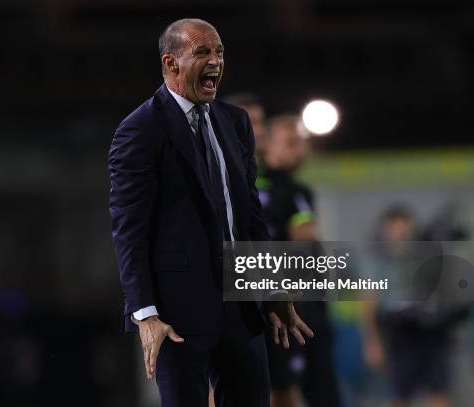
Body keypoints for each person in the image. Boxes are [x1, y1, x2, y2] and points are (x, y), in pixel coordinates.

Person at [108, 18, 313, 407]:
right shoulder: (140, 130)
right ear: (171, 63)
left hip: (242, 307)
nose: (215, 61)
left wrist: (271, 287)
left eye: (219, 52)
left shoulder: (234, 122)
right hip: (177, 317)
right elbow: (128, 230)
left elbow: (251, 215)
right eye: (202, 52)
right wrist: (144, 314)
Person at [255, 114, 341, 407]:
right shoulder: (292, 192)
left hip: (275, 304)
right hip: (295, 307)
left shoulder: (254, 187)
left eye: (302, 143)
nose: (300, 150)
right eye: (291, 143)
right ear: (267, 146)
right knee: (310, 391)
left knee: (281, 387)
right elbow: (303, 243)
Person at [362, 206, 466, 407]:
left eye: (406, 227)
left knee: (439, 389)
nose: (403, 233)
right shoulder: (377, 261)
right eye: (397, 228)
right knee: (400, 393)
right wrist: (372, 341)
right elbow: (369, 303)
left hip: (431, 331)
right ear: (385, 229)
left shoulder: (427, 253)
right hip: (400, 333)